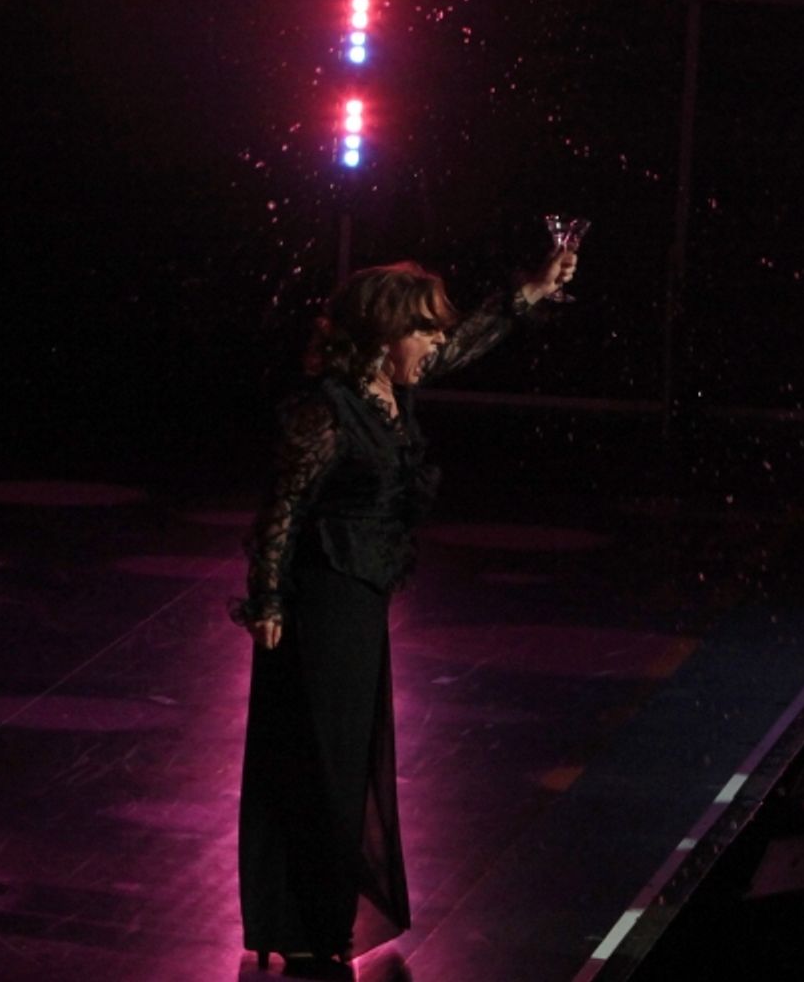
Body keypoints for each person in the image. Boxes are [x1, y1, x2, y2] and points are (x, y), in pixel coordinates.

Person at [232, 247, 576, 979]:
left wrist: (531, 291)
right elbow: (281, 509)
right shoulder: (326, 409)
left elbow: (462, 344)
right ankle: (304, 918)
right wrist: (265, 599)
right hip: (321, 603)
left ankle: (320, 917)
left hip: (361, 597)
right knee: (321, 759)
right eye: (419, 333)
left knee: (350, 754)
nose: (431, 346)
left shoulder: (391, 390)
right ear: (384, 335)